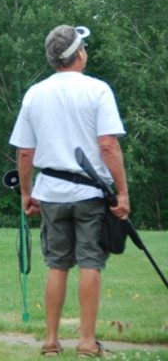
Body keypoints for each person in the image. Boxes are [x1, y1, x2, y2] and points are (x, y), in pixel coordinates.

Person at [9, 24, 130, 358]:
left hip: (51, 192)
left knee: (57, 264)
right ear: (78, 54)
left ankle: (50, 340)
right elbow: (108, 146)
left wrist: (26, 193)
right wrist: (122, 193)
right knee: (90, 262)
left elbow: (25, 154)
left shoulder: (35, 93)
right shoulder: (98, 91)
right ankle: (87, 342)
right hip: (90, 193)